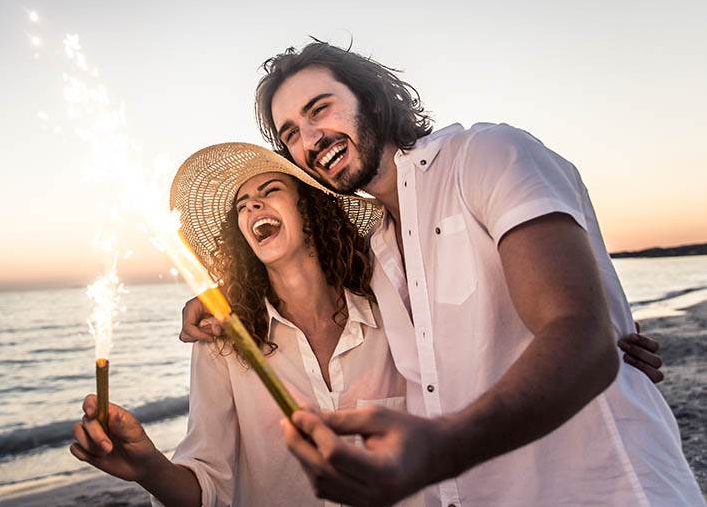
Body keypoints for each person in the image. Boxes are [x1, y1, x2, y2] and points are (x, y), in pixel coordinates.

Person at [179, 42, 702, 506]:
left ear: (374, 99)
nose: (311, 138)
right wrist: (222, 296)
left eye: (320, 109)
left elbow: (579, 332)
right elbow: (304, 281)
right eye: (291, 133)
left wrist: (445, 447)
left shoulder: (487, 156)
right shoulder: (377, 252)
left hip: (602, 487)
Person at [71, 143, 421, 506]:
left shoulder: (391, 303)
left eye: (270, 191)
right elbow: (205, 488)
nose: (253, 205)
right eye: (243, 205)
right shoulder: (221, 339)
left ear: (313, 208)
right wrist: (149, 468)